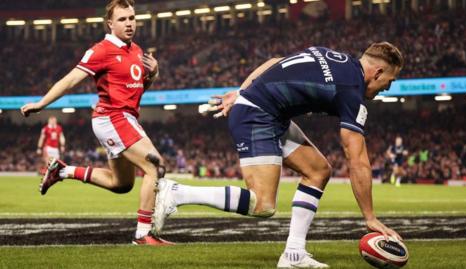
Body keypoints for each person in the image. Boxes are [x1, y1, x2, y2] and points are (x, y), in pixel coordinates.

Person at [153, 42, 405, 268]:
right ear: (378, 72)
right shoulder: (351, 91)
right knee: (262, 204)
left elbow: (274, 62)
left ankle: (293, 255)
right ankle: (177, 193)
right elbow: (357, 159)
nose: (387, 88)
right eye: (390, 81)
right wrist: (370, 218)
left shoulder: (334, 56)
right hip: (257, 115)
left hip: (269, 113)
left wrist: (241, 91)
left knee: (318, 171)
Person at [20, 0, 171, 246]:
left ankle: (63, 170)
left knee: (121, 184)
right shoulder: (101, 50)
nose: (129, 23)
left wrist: (153, 73)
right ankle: (144, 235)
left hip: (126, 117)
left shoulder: (136, 51)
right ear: (110, 23)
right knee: (156, 166)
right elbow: (70, 80)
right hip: (112, 117)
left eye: (132, 18)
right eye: (122, 19)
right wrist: (42, 103)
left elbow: (138, 90)